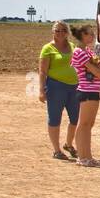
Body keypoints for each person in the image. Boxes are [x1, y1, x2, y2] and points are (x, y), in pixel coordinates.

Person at [38, 21, 79, 160]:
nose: (60, 33)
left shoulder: (72, 46)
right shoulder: (48, 49)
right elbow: (43, 72)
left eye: (63, 30)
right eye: (57, 30)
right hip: (56, 87)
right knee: (55, 118)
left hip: (74, 87)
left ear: (67, 32)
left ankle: (68, 144)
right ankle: (56, 150)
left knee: (75, 118)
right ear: (53, 32)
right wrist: (42, 91)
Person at [69, 24, 100, 167]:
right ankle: (81, 156)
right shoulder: (80, 52)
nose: (93, 36)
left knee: (89, 124)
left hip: (94, 90)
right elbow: (98, 72)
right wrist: (99, 70)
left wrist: (99, 69)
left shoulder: (89, 52)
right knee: (83, 124)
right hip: (86, 90)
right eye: (90, 34)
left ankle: (88, 156)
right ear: (83, 35)